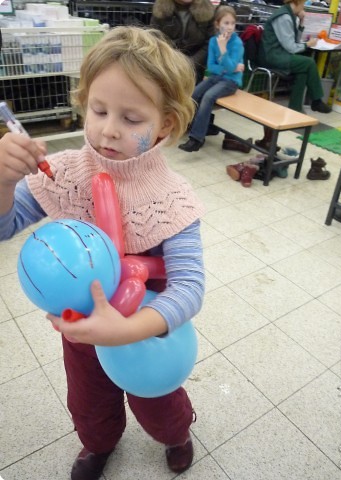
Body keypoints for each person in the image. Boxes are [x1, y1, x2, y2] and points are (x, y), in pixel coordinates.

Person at [0, 26, 205, 480]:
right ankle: (99, 444)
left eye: (131, 119)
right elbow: (6, 225)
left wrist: (131, 328)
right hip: (82, 327)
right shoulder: (67, 172)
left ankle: (176, 434)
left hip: (151, 335)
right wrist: (4, 182)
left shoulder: (173, 198)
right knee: (88, 400)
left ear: (165, 124)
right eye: (98, 109)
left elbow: (191, 289)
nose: (109, 130)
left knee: (159, 400)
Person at [179, 5, 245, 152]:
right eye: (226, 23)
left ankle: (196, 139)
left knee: (208, 97)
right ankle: (196, 126)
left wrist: (223, 51)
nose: (229, 27)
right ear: (217, 24)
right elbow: (211, 66)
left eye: (232, 24)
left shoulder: (237, 43)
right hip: (217, 77)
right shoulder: (214, 41)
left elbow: (229, 68)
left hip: (231, 81)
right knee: (194, 94)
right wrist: (230, 67)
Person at [257, 0, 331, 114]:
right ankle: (316, 101)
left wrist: (301, 22)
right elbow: (291, 47)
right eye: (302, 5)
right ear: (296, 3)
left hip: (279, 54)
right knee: (309, 63)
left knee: (303, 71)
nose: (303, 8)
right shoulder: (284, 17)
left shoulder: (289, 15)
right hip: (272, 56)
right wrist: (307, 44)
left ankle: (295, 111)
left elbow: (295, 41)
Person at [150, 0, 215, 85]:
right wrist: (171, 62)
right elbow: (154, 40)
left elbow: (210, 42)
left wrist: (191, 63)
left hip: (197, 69)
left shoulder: (207, 9)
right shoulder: (160, 9)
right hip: (167, 68)